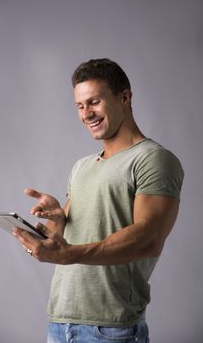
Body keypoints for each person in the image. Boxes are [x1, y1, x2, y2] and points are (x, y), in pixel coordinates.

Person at [13, 58, 184, 342]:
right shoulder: (82, 166)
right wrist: (57, 219)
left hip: (111, 328)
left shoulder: (153, 159)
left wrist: (69, 255)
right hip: (60, 322)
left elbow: (149, 238)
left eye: (94, 102)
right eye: (80, 106)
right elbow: (67, 238)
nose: (86, 114)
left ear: (125, 97)